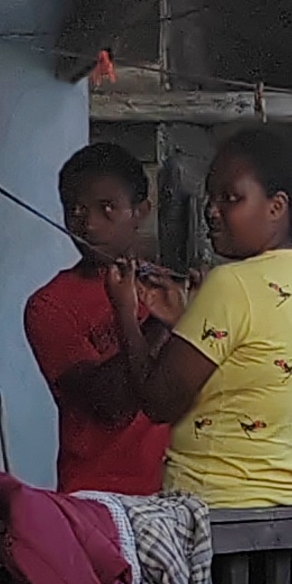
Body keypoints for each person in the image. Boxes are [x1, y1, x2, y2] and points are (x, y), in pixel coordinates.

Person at [112, 125, 292, 514]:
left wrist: (124, 314)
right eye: (211, 197)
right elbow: (247, 370)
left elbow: (158, 401)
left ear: (276, 207)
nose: (211, 211)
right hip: (290, 515)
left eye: (230, 198)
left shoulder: (232, 284)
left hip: (217, 514)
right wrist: (183, 321)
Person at [22, 142, 188, 496]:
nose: (89, 225)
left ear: (140, 211)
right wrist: (159, 323)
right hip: (94, 498)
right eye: (76, 210)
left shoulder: (168, 289)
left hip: (173, 494)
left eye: (107, 208)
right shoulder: (49, 305)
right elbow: (110, 406)